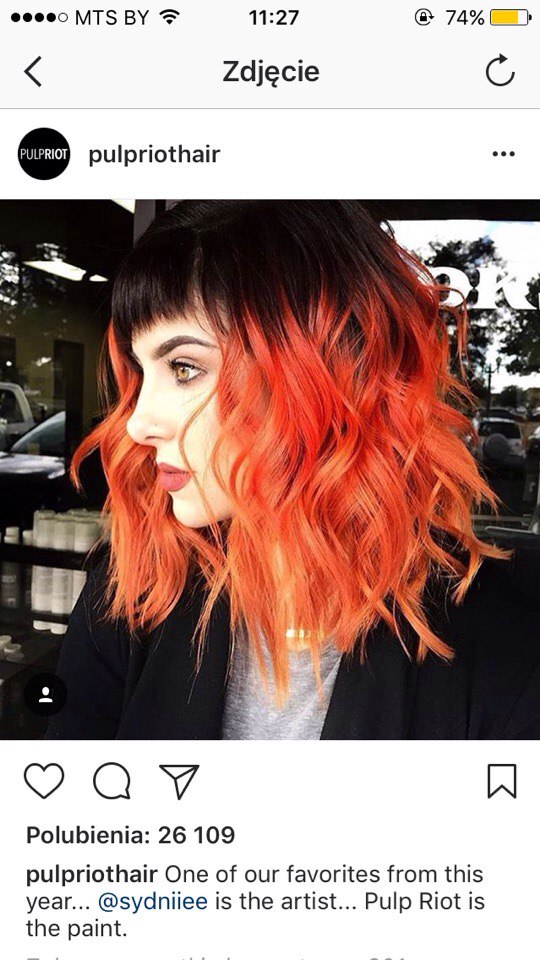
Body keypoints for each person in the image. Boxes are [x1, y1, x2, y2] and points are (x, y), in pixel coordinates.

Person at [46, 201, 540, 740]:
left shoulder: (503, 649)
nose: (138, 424)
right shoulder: (134, 592)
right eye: (141, 372)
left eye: (184, 367)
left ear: (330, 371)